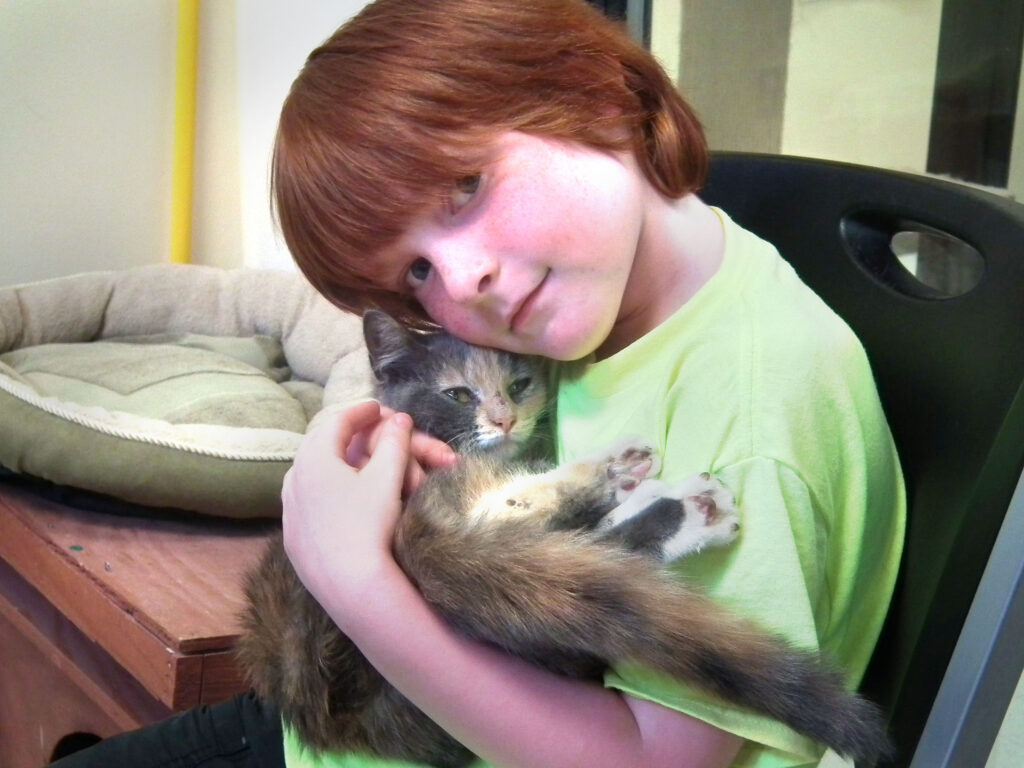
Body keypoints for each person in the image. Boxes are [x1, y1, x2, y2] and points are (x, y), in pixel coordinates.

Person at [52, 1, 904, 767]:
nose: (461, 284)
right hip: (315, 717)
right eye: (415, 271)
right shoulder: (588, 298)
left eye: (467, 187)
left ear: (593, 96)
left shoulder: (751, 411)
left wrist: (353, 577)